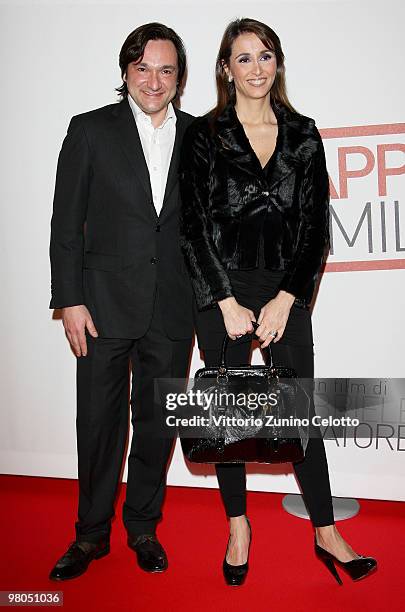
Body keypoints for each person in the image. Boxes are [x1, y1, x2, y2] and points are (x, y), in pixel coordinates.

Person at [179, 18, 377, 586]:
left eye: (265, 56)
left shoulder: (304, 133)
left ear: (278, 62)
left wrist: (288, 297)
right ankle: (239, 526)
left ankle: (325, 531)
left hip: (285, 291)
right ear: (226, 69)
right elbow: (192, 227)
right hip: (221, 292)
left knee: (299, 410)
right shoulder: (205, 134)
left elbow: (316, 228)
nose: (256, 68)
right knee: (231, 416)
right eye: (243, 58)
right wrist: (224, 300)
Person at [49, 22, 194, 580]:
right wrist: (71, 300)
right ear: (125, 71)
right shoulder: (90, 131)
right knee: (100, 424)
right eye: (142, 67)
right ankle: (89, 536)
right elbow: (66, 223)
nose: (153, 80)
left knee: (157, 424)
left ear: (179, 78)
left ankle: (142, 526)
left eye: (166, 69)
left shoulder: (200, 136)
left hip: (172, 307)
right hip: (103, 305)